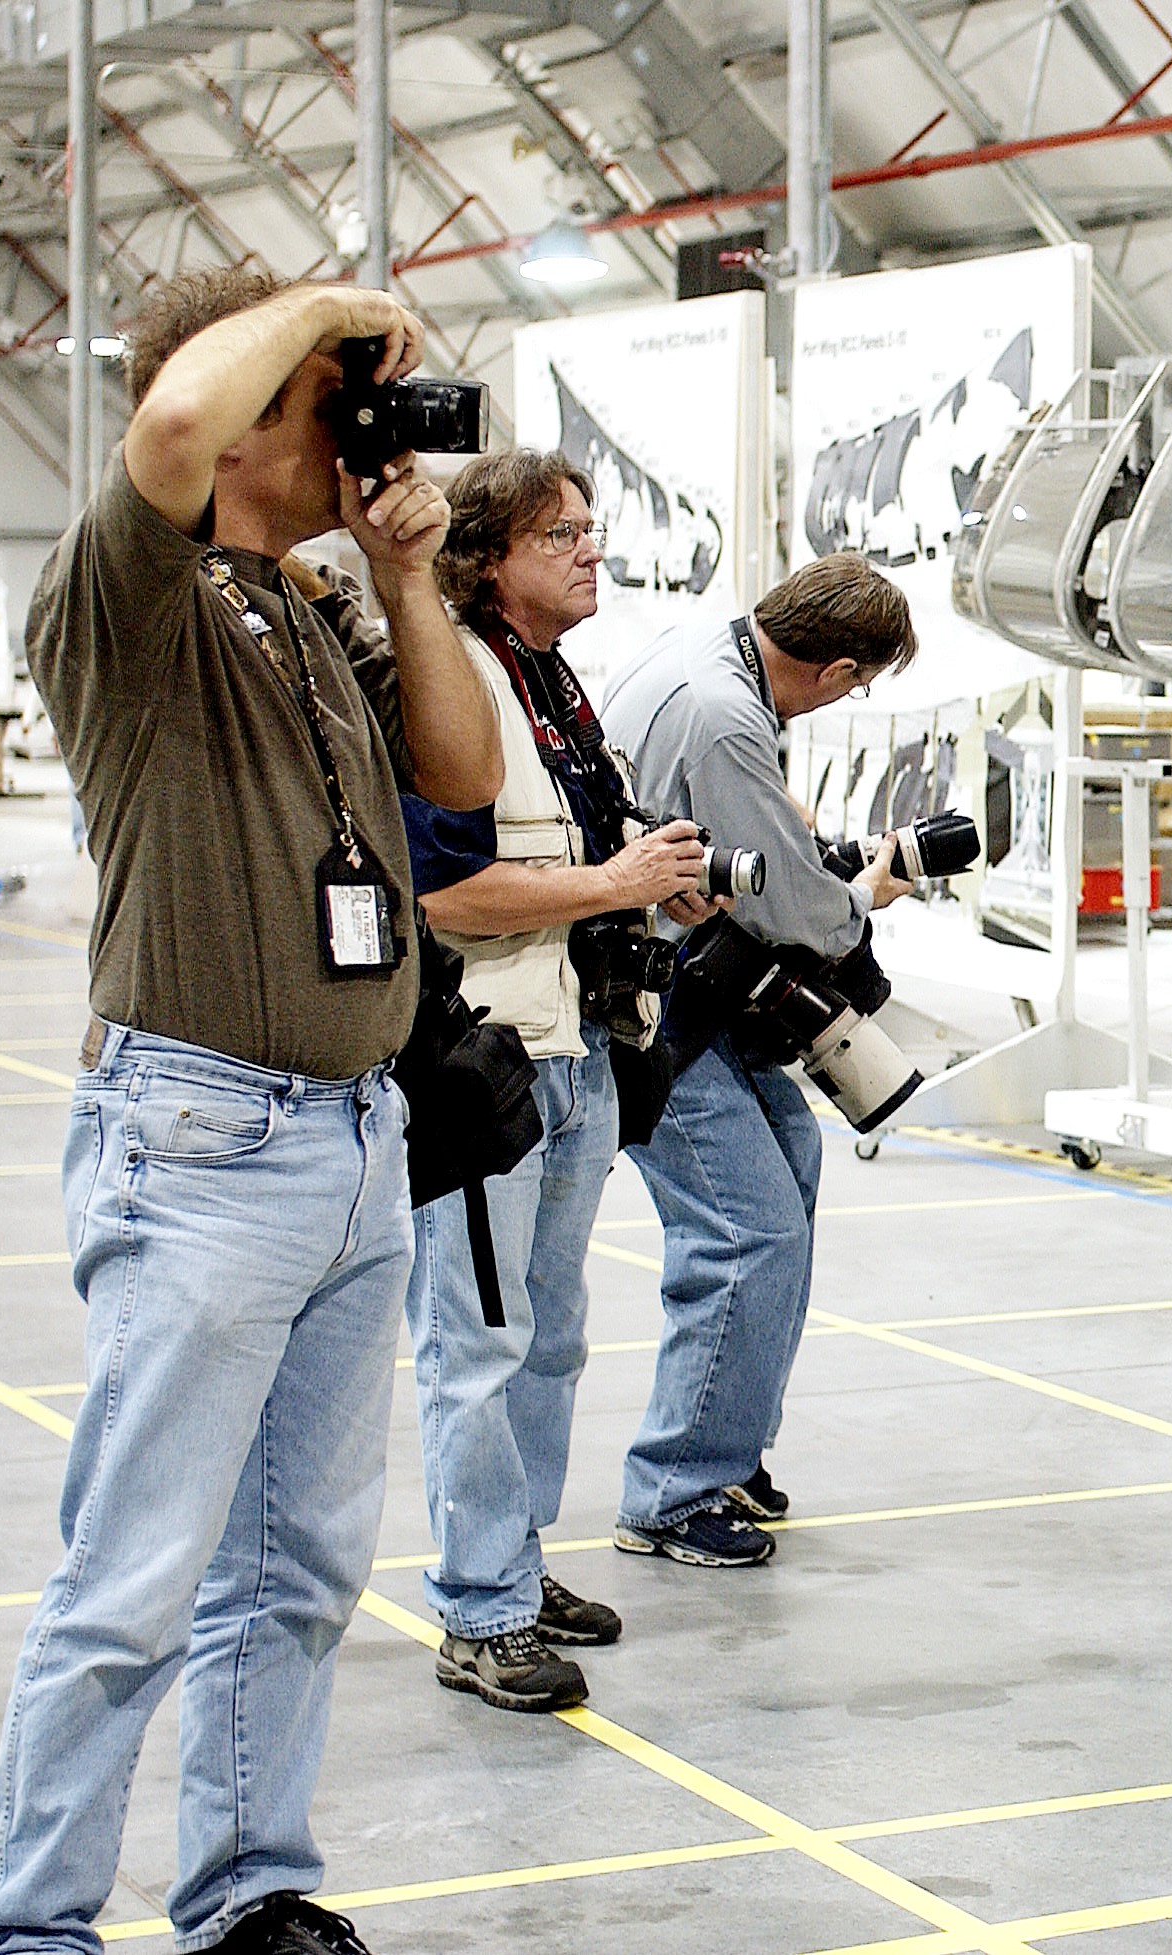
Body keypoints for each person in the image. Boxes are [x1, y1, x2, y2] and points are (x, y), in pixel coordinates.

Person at [0, 272, 503, 1955]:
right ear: (253, 402)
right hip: (199, 1143)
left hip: (350, 1144)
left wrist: (408, 581)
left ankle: (250, 1889)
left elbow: (466, 775)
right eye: (330, 395)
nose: (355, 425)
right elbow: (179, 425)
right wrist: (334, 297)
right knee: (129, 1587)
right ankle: (33, 1924)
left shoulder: (308, 605)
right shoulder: (128, 594)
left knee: (297, 1572)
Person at [397, 450, 726, 1714]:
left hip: (578, 1042)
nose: (591, 551)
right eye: (562, 535)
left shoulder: (547, 678)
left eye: (590, 530)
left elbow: (574, 857)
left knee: (549, 1332)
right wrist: (612, 884)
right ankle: (479, 1613)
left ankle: (515, 1572)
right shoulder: (461, 686)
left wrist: (648, 880)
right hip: (490, 1055)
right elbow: (449, 892)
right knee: (477, 1338)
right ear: (487, 560)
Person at [598, 554, 919, 1566]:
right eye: (858, 685)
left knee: (793, 1169)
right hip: (665, 1006)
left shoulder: (702, 650)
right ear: (834, 670)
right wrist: (867, 893)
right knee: (748, 1232)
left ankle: (724, 1444)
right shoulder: (727, 713)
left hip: (695, 989)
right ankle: (676, 1488)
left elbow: (749, 835)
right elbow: (795, 910)